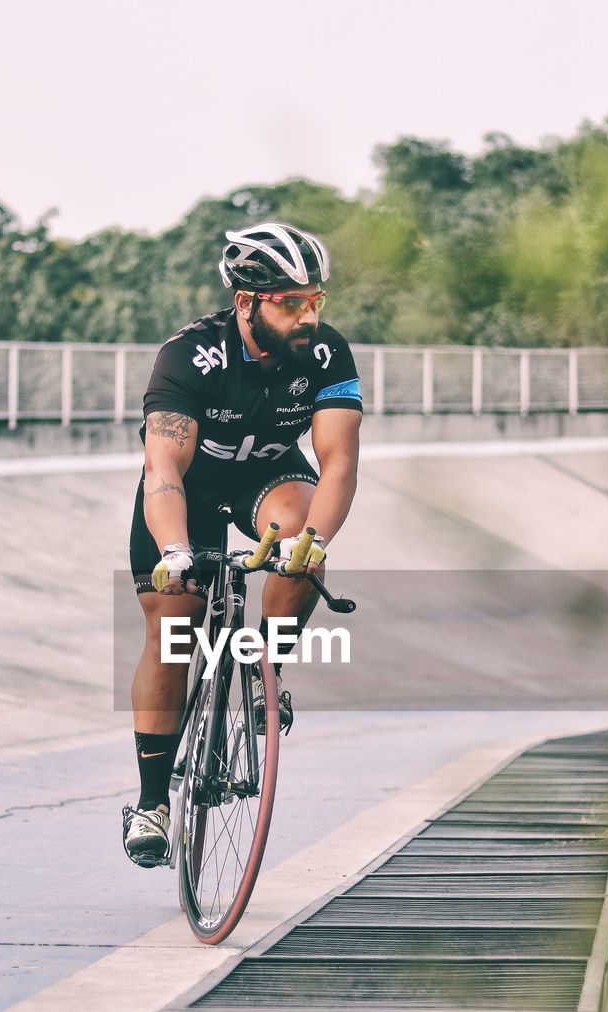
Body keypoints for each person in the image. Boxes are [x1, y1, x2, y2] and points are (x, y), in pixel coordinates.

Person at [122, 223, 363, 867]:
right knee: (174, 625)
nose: (306, 314)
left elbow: (338, 463)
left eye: (314, 299)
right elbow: (165, 472)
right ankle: (151, 802)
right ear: (247, 303)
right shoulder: (189, 357)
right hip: (188, 492)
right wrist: (174, 552)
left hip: (268, 477)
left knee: (301, 541)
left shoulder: (327, 354)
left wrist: (316, 540)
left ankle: (266, 672)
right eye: (289, 302)